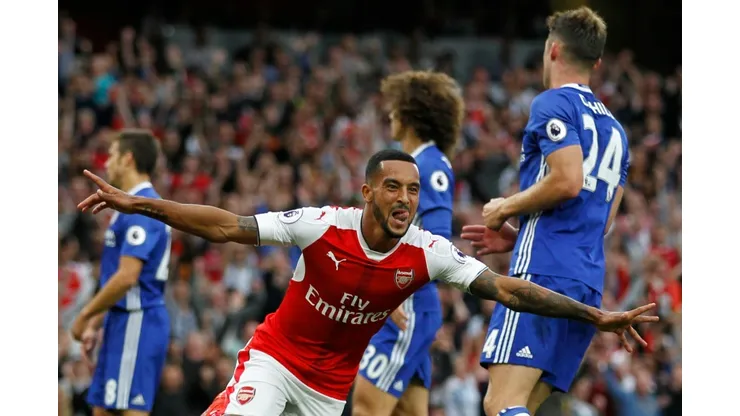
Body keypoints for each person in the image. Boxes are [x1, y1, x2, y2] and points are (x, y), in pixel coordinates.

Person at [77, 149, 656, 416]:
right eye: (393, 187)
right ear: (367, 192)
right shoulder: (322, 226)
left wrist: (596, 316)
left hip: (329, 393)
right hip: (275, 360)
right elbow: (228, 226)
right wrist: (138, 203)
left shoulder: (427, 252)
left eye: (414, 190)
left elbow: (509, 290)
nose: (406, 199)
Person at [460, 7, 632, 416]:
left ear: (553, 50)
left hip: (542, 273)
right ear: (597, 62)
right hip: (586, 282)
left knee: (501, 402)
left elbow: (568, 180)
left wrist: (505, 207)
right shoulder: (617, 132)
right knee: (525, 406)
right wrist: (522, 234)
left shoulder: (553, 103)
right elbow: (604, 221)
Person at [353, 71, 462, 416]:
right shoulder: (411, 162)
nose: (390, 114)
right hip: (409, 301)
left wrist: (395, 290)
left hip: (406, 302)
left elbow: (437, 242)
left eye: (395, 107)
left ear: (411, 114)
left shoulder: (430, 165)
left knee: (366, 407)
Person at [71, 130, 171, 416]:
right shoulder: (127, 205)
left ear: (128, 159)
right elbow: (117, 279)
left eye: (112, 155)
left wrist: (85, 315)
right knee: (101, 410)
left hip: (139, 322)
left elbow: (127, 277)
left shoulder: (144, 208)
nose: (107, 162)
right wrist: (96, 323)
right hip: (120, 320)